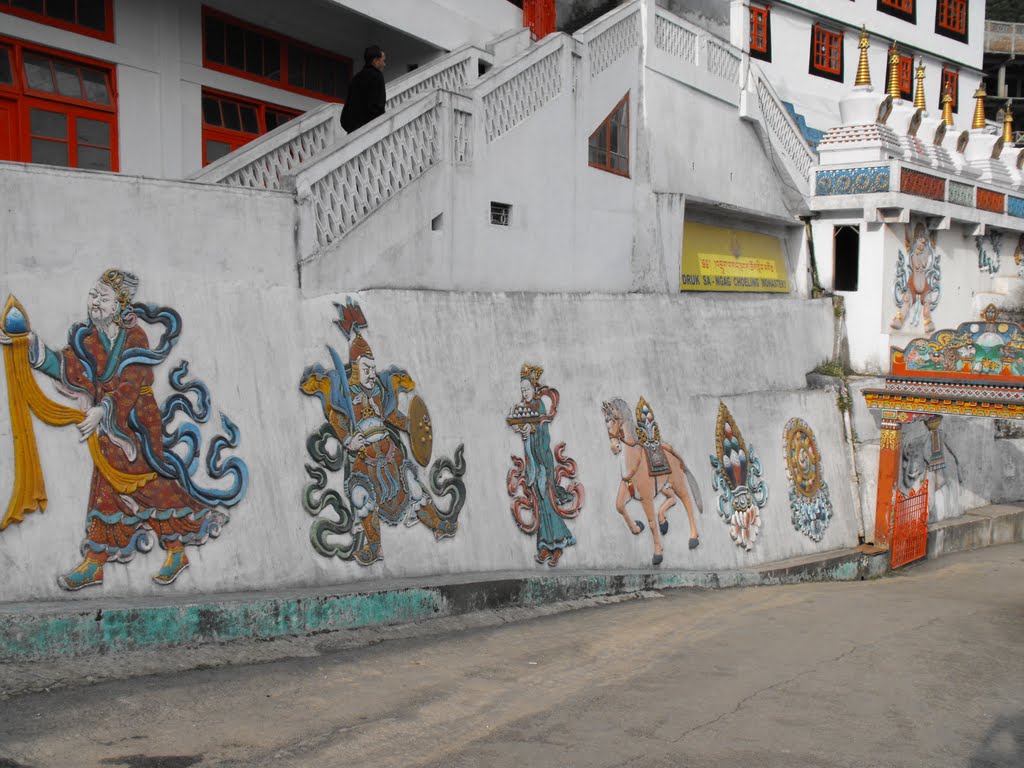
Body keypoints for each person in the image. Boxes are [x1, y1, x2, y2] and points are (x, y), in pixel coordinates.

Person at [3, 270, 232, 590]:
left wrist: (104, 411)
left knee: (150, 486)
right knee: (108, 490)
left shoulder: (135, 337)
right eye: (93, 295)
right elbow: (68, 367)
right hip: (108, 428)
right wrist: (30, 345)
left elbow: (130, 384)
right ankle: (99, 562)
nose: (94, 302)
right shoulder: (87, 339)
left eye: (103, 297)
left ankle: (169, 551)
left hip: (137, 423)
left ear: (120, 304)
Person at [341, 45, 387, 133]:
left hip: (352, 131)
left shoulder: (355, 78)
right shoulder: (377, 76)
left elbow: (348, 107)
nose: (384, 64)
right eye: (383, 60)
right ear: (375, 61)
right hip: (369, 131)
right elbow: (378, 107)